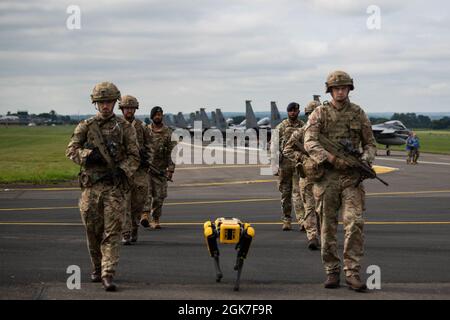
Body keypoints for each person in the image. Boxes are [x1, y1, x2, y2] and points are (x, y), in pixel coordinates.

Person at [304, 71, 377, 291]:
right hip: (327, 178)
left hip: (352, 179)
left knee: (354, 223)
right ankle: (332, 271)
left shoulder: (358, 114)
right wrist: (331, 158)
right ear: (330, 90)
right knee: (327, 227)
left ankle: (352, 272)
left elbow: (371, 144)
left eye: (344, 87)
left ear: (349, 89)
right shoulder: (319, 113)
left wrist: (363, 161)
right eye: (336, 88)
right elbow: (309, 141)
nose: (340, 91)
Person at [66, 82, 140, 291]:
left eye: (108, 102)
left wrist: (122, 170)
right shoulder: (86, 127)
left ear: (115, 102)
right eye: (101, 102)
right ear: (95, 104)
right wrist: (89, 156)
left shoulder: (124, 128)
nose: (105, 106)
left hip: (114, 188)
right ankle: (97, 268)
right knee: (93, 232)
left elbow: (135, 156)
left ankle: (108, 273)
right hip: (91, 189)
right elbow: (71, 150)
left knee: (113, 232)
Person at [283, 100, 321, 250]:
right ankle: (312, 236)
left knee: (325, 209)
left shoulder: (328, 133)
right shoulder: (302, 131)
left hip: (326, 176)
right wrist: (304, 158)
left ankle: (322, 234)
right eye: (311, 114)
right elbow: (287, 149)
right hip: (307, 175)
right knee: (310, 207)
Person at [119, 95, 153, 245]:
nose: (129, 111)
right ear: (122, 109)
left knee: (138, 203)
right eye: (126, 108)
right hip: (123, 171)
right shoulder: (116, 126)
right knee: (124, 204)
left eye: (132, 108)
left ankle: (134, 229)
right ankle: (125, 233)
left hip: (140, 171)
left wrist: (148, 160)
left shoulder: (142, 126)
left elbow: (150, 146)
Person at [140, 106, 177, 229]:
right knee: (146, 194)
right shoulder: (145, 131)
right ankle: (144, 215)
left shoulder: (168, 133)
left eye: (160, 115)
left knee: (159, 197)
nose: (158, 117)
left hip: (161, 170)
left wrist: (170, 169)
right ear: (152, 117)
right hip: (146, 169)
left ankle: (155, 219)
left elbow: (173, 152)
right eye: (155, 115)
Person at [271, 102, 305, 231]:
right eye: (290, 110)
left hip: (298, 163)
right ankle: (286, 219)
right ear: (287, 112)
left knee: (299, 193)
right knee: (285, 193)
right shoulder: (281, 127)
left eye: (295, 110)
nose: (293, 113)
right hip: (284, 164)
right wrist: (274, 166)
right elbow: (274, 147)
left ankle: (302, 221)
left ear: (298, 111)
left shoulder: (303, 126)